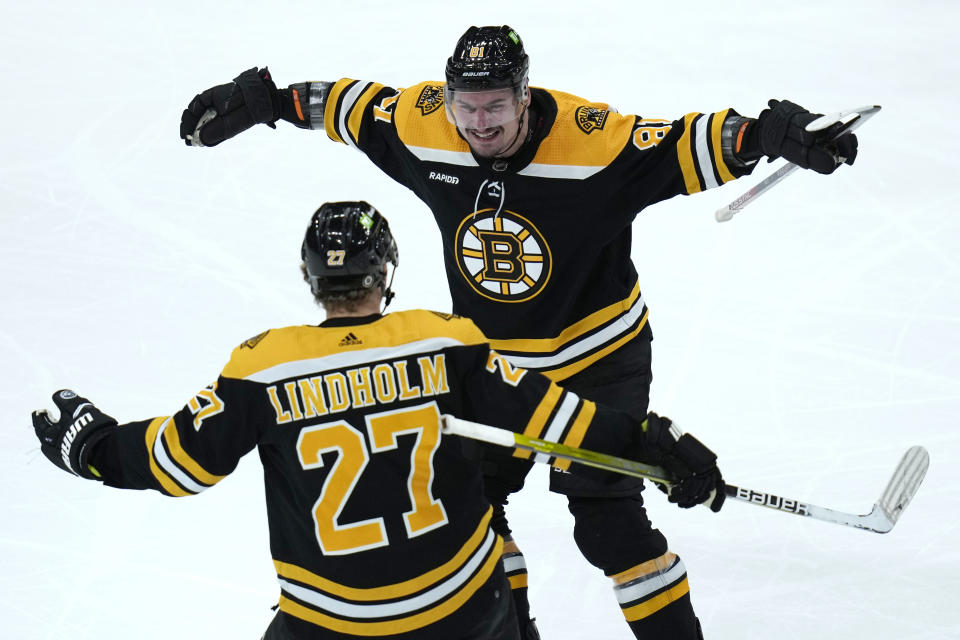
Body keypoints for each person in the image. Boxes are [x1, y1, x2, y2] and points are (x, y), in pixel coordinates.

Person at [178, 26, 857, 639]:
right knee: (472, 516)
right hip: (494, 371)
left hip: (600, 358)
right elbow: (347, 105)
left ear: (524, 98)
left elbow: (687, 142)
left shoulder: (591, 144)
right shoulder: (425, 127)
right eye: (466, 107)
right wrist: (263, 99)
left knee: (608, 523)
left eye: (496, 107)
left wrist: (769, 134)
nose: (479, 123)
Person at [31, 201, 724, 640]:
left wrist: (92, 446)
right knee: (491, 562)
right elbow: (554, 417)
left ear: (311, 279)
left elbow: (177, 462)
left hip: (330, 622)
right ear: (385, 272)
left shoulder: (262, 366)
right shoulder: (441, 339)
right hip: (458, 611)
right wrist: (653, 446)